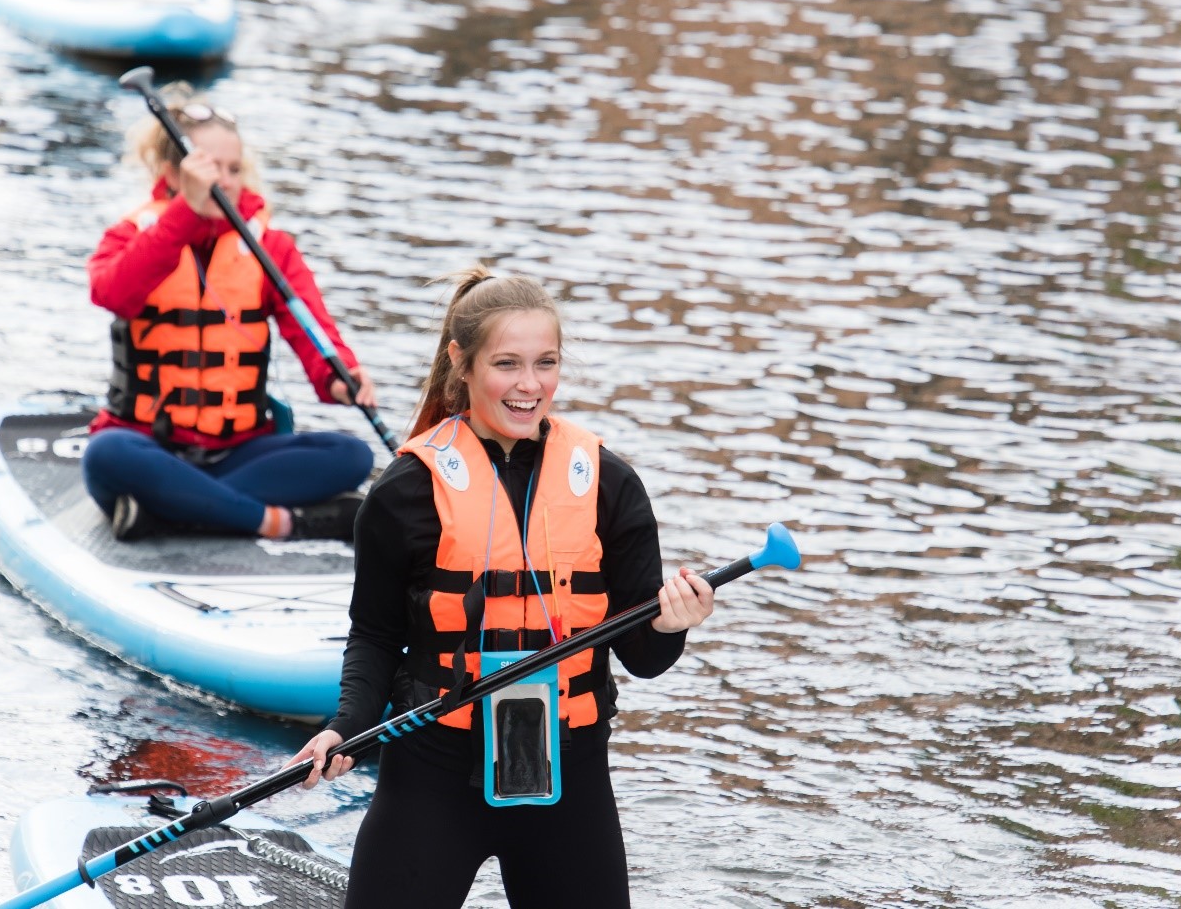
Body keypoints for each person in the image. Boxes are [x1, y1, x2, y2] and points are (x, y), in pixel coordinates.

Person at [287, 265, 716, 908]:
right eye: (508, 363)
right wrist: (342, 727)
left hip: (569, 773)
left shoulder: (609, 483)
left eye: (546, 363)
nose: (529, 385)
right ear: (461, 361)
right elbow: (375, 636)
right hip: (433, 767)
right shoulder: (404, 493)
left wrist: (671, 623)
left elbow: (644, 660)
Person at [82, 83, 378, 542]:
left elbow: (312, 329)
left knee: (351, 455)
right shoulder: (131, 234)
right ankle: (273, 521)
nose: (226, 180)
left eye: (234, 168)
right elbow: (111, 293)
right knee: (107, 454)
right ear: (174, 174)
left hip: (240, 450)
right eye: (209, 168)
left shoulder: (270, 246)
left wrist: (339, 375)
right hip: (146, 444)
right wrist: (184, 214)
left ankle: (168, 511)